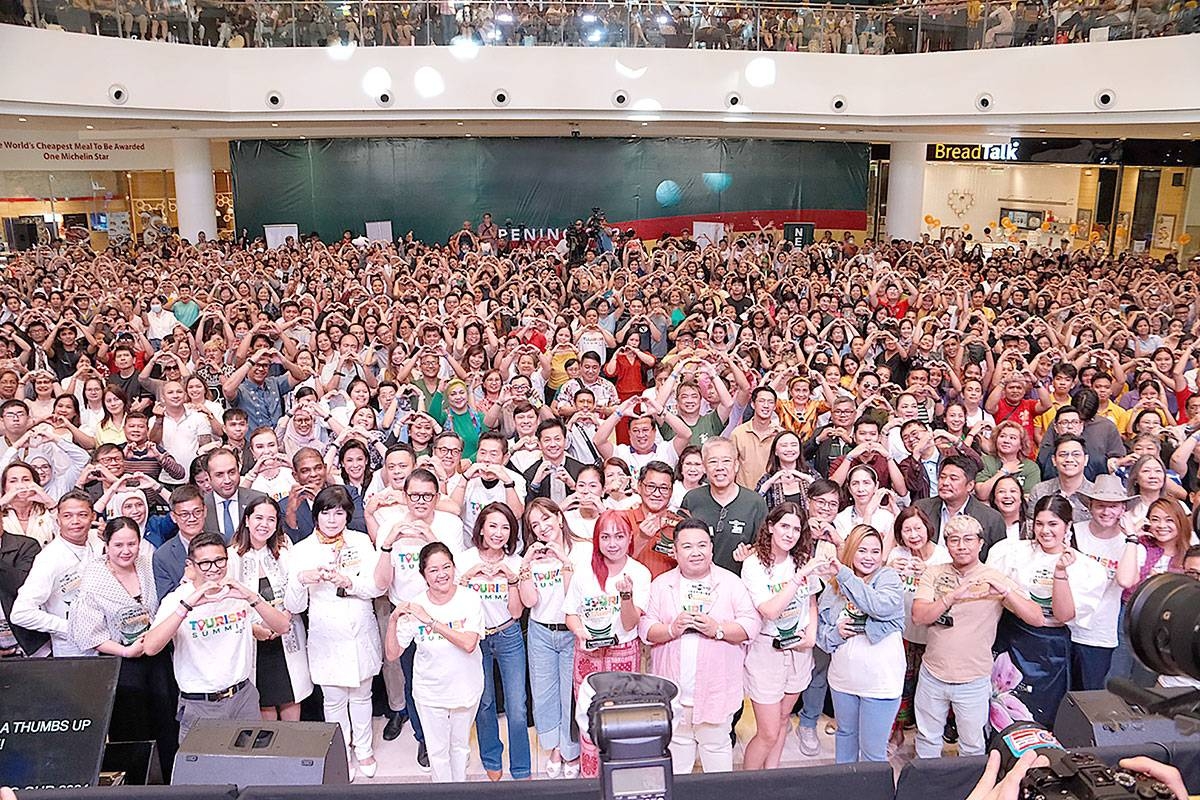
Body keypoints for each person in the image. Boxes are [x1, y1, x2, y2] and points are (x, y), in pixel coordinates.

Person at [911, 515, 1045, 758]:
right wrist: (951, 597)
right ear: (947, 544)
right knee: (927, 738)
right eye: (954, 540)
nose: (961, 546)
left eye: (968, 539)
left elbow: (1036, 618)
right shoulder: (934, 573)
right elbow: (919, 616)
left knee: (972, 746)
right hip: (933, 673)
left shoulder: (994, 578)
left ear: (980, 543)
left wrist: (1005, 592)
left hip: (973, 679)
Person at [143, 531, 291, 741]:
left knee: (251, 769)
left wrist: (251, 597)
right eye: (205, 563)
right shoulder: (177, 599)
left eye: (219, 561)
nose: (214, 569)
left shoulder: (238, 593)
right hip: (200, 704)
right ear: (191, 565)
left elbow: (283, 626)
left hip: (243, 698)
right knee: (203, 772)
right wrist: (186, 607)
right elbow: (150, 647)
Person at [639, 518, 760, 774]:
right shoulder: (661, 585)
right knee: (676, 758)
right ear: (675, 551)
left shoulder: (730, 582)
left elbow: (750, 626)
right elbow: (645, 629)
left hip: (717, 691)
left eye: (702, 545)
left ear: (712, 548)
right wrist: (672, 629)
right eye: (687, 546)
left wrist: (717, 629)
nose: (696, 552)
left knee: (717, 753)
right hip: (673, 693)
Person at [284, 485, 383, 780]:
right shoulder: (301, 550)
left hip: (360, 628)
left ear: (348, 515)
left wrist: (347, 581)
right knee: (334, 700)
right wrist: (301, 580)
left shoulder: (362, 542)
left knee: (363, 696)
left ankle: (364, 749)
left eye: (339, 512)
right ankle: (341, 752)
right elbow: (294, 605)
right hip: (326, 635)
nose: (332, 519)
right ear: (316, 515)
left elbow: (377, 586)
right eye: (326, 512)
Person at [69, 516, 178, 775]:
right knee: (132, 728)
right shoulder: (94, 578)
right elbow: (87, 634)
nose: (126, 551)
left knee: (167, 722)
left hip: (157, 657)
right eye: (119, 545)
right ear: (106, 544)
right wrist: (126, 651)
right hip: (122, 663)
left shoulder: (146, 565)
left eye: (132, 544)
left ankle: (172, 783)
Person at [986, 495, 1107, 726]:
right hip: (1012, 637)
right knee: (1002, 708)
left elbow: (1064, 615)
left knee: (1043, 712)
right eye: (1039, 524)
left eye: (1053, 524)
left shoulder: (1086, 568)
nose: (1045, 531)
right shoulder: (1012, 552)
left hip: (1050, 645)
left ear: (1068, 526)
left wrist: (1060, 571)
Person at [739, 502, 829, 770]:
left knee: (782, 719)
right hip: (767, 650)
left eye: (796, 529)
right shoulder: (753, 565)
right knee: (767, 732)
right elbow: (770, 610)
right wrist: (798, 577)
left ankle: (772, 776)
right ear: (770, 527)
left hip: (799, 649)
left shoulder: (800, 560)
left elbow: (811, 600)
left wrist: (811, 635)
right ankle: (747, 785)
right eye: (784, 526)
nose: (790, 534)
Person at [386, 542, 485, 783]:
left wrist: (430, 622)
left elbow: (468, 643)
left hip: (465, 686)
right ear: (423, 574)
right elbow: (393, 654)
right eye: (433, 570)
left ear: (454, 567)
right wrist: (393, 620)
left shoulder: (469, 599)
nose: (441, 574)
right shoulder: (416, 605)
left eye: (446, 567)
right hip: (429, 691)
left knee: (460, 747)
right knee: (437, 752)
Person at [565, 509, 651, 778]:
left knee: (619, 721)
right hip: (588, 655)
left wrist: (626, 596)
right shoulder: (584, 572)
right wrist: (581, 633)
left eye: (619, 536)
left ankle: (620, 779)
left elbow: (629, 624)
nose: (612, 543)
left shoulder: (639, 573)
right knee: (588, 719)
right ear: (597, 539)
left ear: (629, 539)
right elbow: (570, 614)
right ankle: (591, 780)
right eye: (605, 536)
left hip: (622, 652)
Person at [818, 524, 905, 763]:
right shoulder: (834, 586)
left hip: (880, 682)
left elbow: (879, 606)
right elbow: (822, 633)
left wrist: (845, 574)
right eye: (862, 550)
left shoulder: (888, 577)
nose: (869, 557)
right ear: (851, 551)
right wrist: (836, 634)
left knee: (872, 752)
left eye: (875, 551)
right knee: (845, 736)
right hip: (843, 680)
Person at [456, 503, 531, 781]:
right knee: (485, 702)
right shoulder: (463, 560)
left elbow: (516, 612)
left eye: (505, 527)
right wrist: (467, 578)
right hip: (477, 638)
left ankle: (521, 766)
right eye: (493, 526)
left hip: (508, 634)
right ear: (481, 528)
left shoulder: (516, 562)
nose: (498, 533)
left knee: (517, 705)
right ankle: (491, 757)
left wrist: (511, 580)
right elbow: (456, 605)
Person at [518, 498, 587, 778]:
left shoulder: (582, 550)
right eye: (535, 525)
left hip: (571, 631)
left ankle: (571, 751)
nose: (542, 528)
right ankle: (553, 748)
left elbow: (579, 600)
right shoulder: (533, 555)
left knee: (570, 695)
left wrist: (564, 561)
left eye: (546, 519)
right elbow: (529, 601)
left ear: (560, 517)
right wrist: (525, 564)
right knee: (544, 694)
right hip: (541, 632)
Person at [229, 495, 314, 720]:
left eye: (271, 519)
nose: (264, 524)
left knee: (291, 694)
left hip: (287, 634)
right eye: (258, 518)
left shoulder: (285, 549)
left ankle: (293, 749)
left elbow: (297, 590)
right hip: (254, 640)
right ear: (247, 520)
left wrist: (283, 619)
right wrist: (254, 629)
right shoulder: (232, 556)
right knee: (263, 700)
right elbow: (230, 602)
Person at [885, 505, 950, 749]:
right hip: (902, 632)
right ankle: (897, 731)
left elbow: (951, 595)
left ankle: (930, 736)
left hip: (934, 634)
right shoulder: (896, 556)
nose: (913, 535)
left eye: (917, 528)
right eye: (906, 530)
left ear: (928, 528)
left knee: (930, 688)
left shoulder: (942, 556)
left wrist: (930, 574)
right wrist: (889, 572)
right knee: (901, 683)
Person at [11, 489, 97, 656]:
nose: (75, 521)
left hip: (105, 643)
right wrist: (68, 627)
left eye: (82, 515)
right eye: (67, 516)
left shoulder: (99, 543)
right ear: (58, 519)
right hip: (71, 650)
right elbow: (20, 613)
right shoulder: (49, 558)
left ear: (92, 516)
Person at [680, 437, 768, 574]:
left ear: (736, 465)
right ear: (704, 467)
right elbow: (680, 542)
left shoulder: (755, 503)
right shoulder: (692, 499)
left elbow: (765, 546)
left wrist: (751, 555)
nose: (720, 467)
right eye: (713, 461)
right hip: (698, 583)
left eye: (726, 461)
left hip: (740, 583)